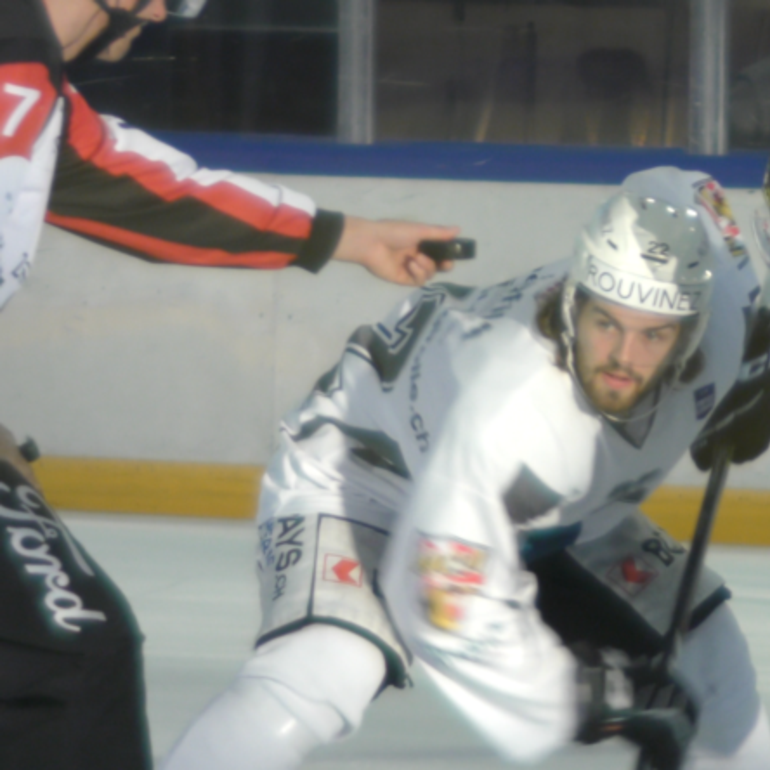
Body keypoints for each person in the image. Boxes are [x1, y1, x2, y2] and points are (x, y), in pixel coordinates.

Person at [163, 166, 770, 770]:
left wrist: (753, 362)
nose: (622, 360)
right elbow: (446, 606)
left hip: (556, 507)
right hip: (369, 476)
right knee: (321, 671)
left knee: (715, 670)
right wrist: (570, 693)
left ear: (693, 331)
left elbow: (677, 187)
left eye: (654, 337)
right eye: (604, 322)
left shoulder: (722, 300)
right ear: (572, 301)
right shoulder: (518, 416)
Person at [0, 1, 459, 768]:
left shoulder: (32, 82)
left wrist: (348, 236)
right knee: (72, 655)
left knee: (72, 647)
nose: (172, 14)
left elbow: (140, 187)